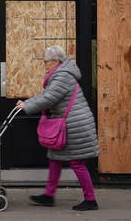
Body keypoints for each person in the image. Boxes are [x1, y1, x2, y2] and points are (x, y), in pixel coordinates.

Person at [16, 45, 100, 211]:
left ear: (55, 61)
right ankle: (49, 195)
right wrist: (27, 102)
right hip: (69, 123)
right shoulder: (59, 74)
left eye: (46, 61)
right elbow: (45, 95)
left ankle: (91, 200)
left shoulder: (63, 76)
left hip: (76, 125)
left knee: (77, 162)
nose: (44, 64)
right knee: (55, 158)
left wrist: (27, 106)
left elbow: (49, 98)